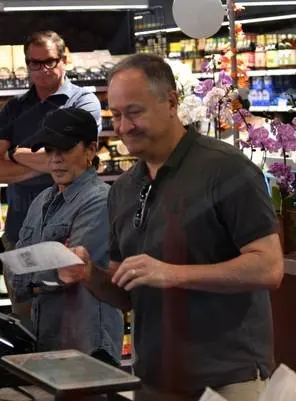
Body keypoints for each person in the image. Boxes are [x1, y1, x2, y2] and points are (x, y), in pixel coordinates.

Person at [64, 54, 284, 401]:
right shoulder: (123, 189)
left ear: (170, 103)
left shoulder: (226, 168)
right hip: (154, 380)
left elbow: (268, 267)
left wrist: (173, 274)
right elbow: (126, 293)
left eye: (134, 112)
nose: (124, 127)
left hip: (227, 380)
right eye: (116, 115)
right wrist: (89, 273)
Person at [0, 30, 102, 317]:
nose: (42, 69)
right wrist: (50, 165)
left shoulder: (82, 102)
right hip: (21, 231)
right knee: (25, 321)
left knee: (74, 321)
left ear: (64, 59)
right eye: (34, 63)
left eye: (49, 61)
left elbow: (77, 162)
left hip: (72, 234)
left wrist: (16, 154)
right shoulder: (14, 108)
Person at [7, 107, 122, 364]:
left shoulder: (99, 200)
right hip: (48, 339)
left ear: (90, 150)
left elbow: (70, 271)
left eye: (65, 149)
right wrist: (42, 270)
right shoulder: (41, 201)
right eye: (50, 150)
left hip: (89, 347)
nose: (56, 159)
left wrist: (31, 272)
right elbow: (17, 272)